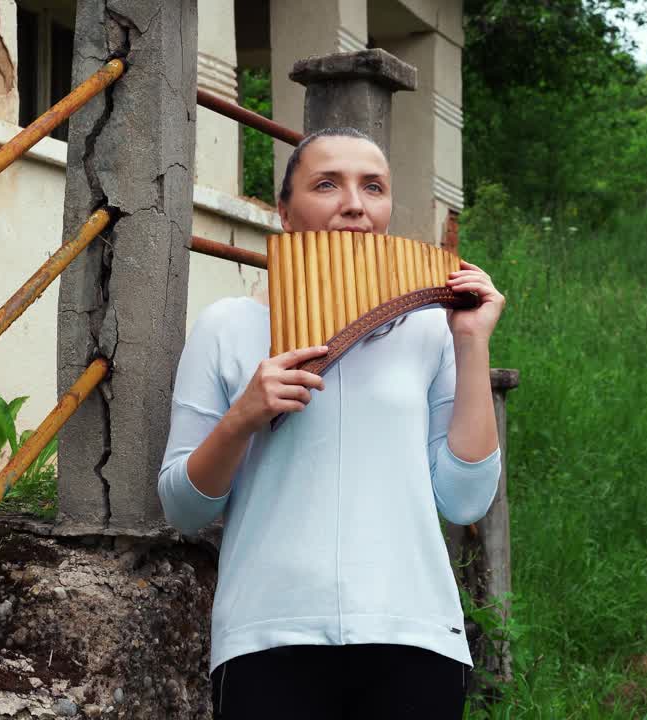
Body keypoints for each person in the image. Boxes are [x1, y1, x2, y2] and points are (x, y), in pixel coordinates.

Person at [158, 127, 506, 719]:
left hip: (414, 633)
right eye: (327, 184)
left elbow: (466, 499)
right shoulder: (228, 326)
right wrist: (243, 417)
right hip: (266, 636)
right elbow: (182, 508)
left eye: (374, 187)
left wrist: (472, 343)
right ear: (285, 212)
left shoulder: (433, 332)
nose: (355, 204)